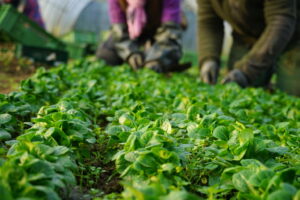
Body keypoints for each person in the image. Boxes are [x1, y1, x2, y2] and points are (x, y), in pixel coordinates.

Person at [197, 0, 300, 96]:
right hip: (246, 37)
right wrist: (208, 59)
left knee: (293, 94)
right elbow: (209, 20)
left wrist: (247, 70)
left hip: (293, 36)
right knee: (237, 91)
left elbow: (280, 20)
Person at [96, 0, 189, 73]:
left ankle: (165, 67)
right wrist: (130, 54)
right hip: (131, 31)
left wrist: (156, 59)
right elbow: (119, 31)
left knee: (162, 61)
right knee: (106, 55)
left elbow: (169, 32)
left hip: (159, 30)